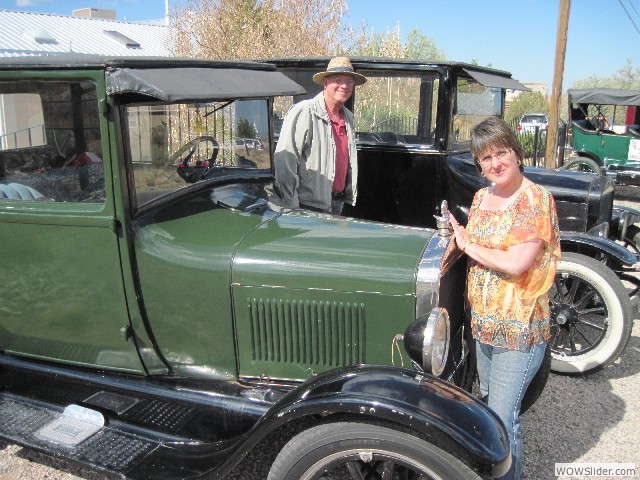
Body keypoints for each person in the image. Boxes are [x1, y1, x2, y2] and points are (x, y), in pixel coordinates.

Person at [448, 117, 561, 480]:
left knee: (502, 414)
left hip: (519, 328)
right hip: (484, 323)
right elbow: (478, 244)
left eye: (501, 153)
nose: (495, 163)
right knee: (486, 408)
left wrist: (469, 246)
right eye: (485, 158)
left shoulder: (535, 200)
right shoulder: (482, 197)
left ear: (516, 153)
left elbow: (516, 263)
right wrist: (460, 235)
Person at [274, 57, 366, 215]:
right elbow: (285, 160)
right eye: (338, 80)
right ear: (325, 83)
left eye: (349, 81)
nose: (344, 86)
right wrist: (292, 206)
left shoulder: (348, 117)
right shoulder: (305, 111)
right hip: (308, 206)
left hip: (337, 202)